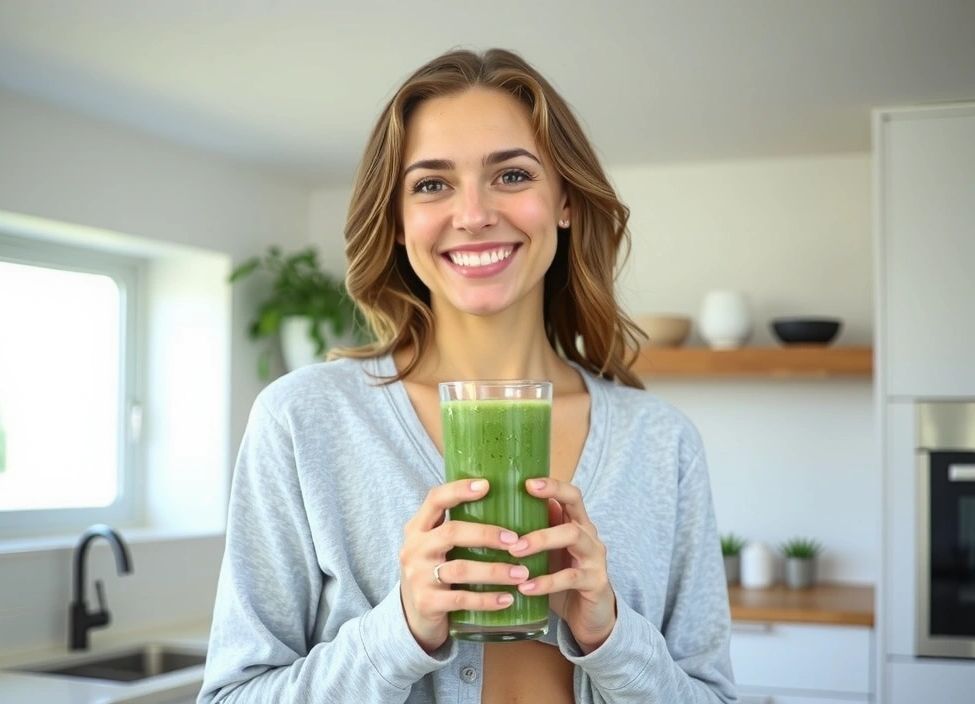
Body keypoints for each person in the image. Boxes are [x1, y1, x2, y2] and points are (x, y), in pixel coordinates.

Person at [199, 47, 736, 704]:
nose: (474, 213)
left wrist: (612, 638)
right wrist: (401, 632)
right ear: (397, 222)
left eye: (511, 175)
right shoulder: (303, 421)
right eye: (432, 184)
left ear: (565, 200)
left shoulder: (661, 442)